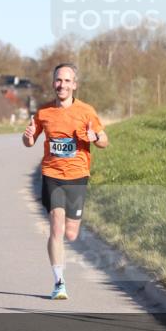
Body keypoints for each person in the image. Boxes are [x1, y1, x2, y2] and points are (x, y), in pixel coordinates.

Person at [22, 63, 108, 300]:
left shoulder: (86, 111)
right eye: (59, 80)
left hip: (78, 176)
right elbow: (29, 141)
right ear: (53, 83)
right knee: (56, 226)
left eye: (67, 81)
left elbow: (104, 141)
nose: (62, 85)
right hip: (52, 174)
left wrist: (96, 136)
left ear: (74, 85)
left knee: (71, 233)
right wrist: (27, 137)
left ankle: (68, 244)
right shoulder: (44, 113)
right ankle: (59, 282)